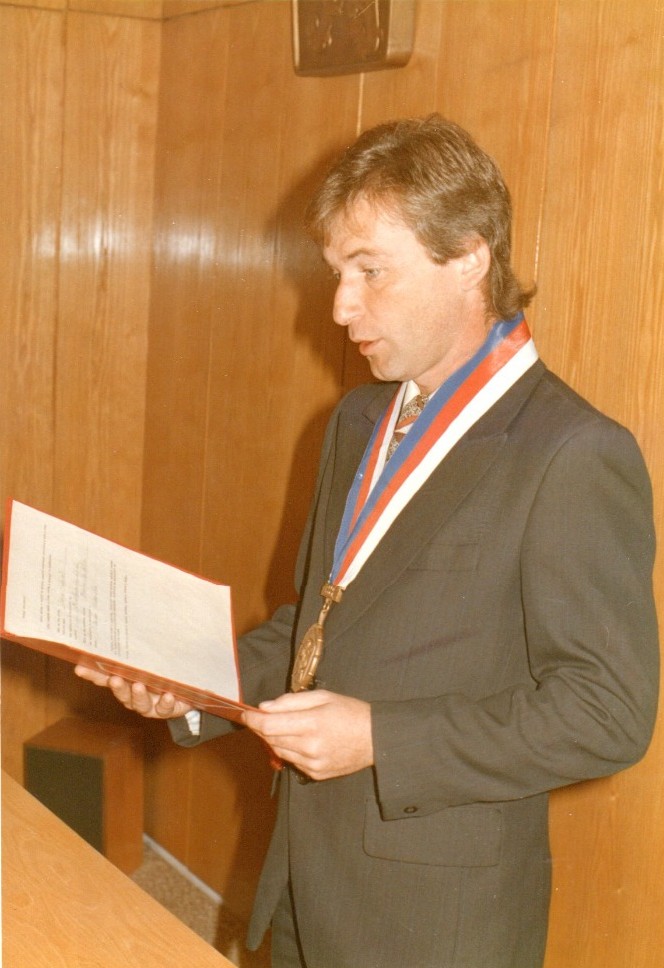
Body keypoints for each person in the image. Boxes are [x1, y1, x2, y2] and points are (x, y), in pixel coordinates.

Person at [76, 115, 659, 968]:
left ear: (469, 256)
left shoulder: (572, 453)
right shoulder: (358, 418)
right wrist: (189, 682)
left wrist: (382, 738)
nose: (342, 307)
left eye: (370, 271)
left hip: (437, 917)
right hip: (305, 872)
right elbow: (316, 631)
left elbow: (607, 714)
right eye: (337, 274)